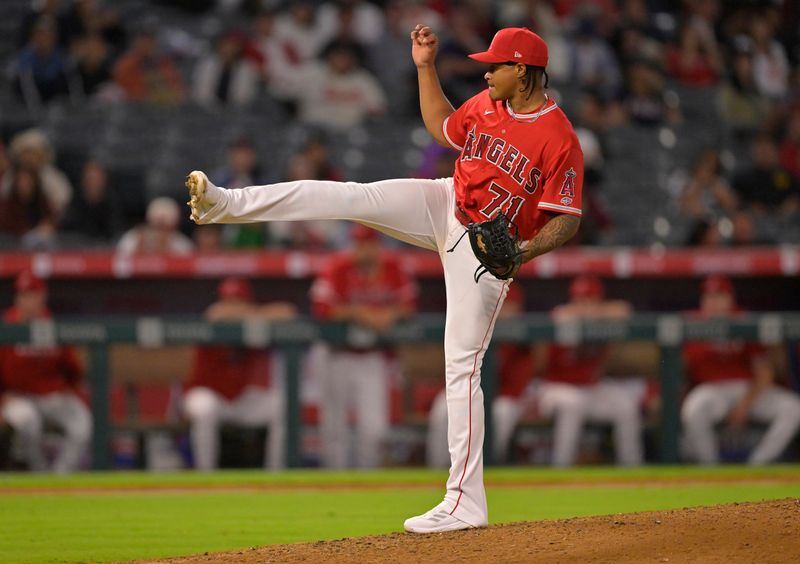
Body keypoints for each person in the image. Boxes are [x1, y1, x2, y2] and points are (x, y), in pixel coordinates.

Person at [186, 24, 584, 533]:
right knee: (351, 196)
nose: (487, 71)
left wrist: (524, 252)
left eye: (497, 64)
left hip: (488, 252)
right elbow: (443, 126)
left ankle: (465, 502)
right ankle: (228, 204)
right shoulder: (487, 103)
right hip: (445, 202)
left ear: (523, 72)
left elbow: (567, 218)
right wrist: (424, 68)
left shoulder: (559, 137)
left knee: (461, 365)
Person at [309, 224, 418, 468]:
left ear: (377, 246)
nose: (362, 250)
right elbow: (322, 308)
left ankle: (368, 482)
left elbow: (409, 305)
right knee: (334, 428)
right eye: (358, 244)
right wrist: (361, 313)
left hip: (372, 355)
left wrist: (390, 314)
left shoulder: (392, 267)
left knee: (375, 430)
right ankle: (334, 485)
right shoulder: (338, 266)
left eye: (368, 244)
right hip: (336, 354)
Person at [681, 275, 800, 465]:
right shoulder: (692, 323)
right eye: (709, 296)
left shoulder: (744, 321)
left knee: (794, 408)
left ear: (730, 299)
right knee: (694, 409)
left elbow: (765, 373)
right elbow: (681, 371)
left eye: (719, 296)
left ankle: (758, 465)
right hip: (713, 391)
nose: (714, 302)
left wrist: (745, 404)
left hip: (747, 389)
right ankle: (710, 468)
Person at [182, 277, 297, 470]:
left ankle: (276, 474)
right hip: (207, 393)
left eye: (238, 301)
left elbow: (288, 312)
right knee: (205, 410)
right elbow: (216, 314)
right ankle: (205, 475)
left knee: (281, 405)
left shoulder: (252, 323)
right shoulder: (213, 317)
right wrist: (246, 314)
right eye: (228, 301)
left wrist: (252, 315)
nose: (232, 306)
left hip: (239, 398)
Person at [536, 275, 643, 467]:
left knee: (626, 405)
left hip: (591, 389)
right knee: (573, 404)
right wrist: (582, 313)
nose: (584, 305)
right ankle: (560, 470)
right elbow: (560, 315)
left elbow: (624, 310)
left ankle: (632, 469)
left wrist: (597, 313)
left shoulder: (604, 318)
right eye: (580, 299)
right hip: (554, 388)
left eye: (590, 299)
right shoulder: (562, 315)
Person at [426, 283, 534, 467]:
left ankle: (486, 469)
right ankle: (437, 469)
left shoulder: (519, 336)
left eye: (505, 305)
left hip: (504, 395)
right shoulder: (469, 326)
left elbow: (522, 380)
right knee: (442, 408)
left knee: (502, 412)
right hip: (466, 389)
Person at [0, 271, 92, 472]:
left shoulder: (52, 326)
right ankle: (37, 474)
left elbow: (72, 369)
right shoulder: (6, 325)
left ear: (42, 297)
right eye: (23, 295)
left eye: (32, 295)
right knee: (27, 421)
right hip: (16, 397)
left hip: (51, 396)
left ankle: (61, 475)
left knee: (81, 421)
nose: (28, 300)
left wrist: (71, 388)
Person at [116, 197, 194, 255]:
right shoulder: (133, 239)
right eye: (157, 227)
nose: (160, 234)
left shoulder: (183, 245)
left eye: (165, 228)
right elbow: (119, 264)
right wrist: (138, 252)